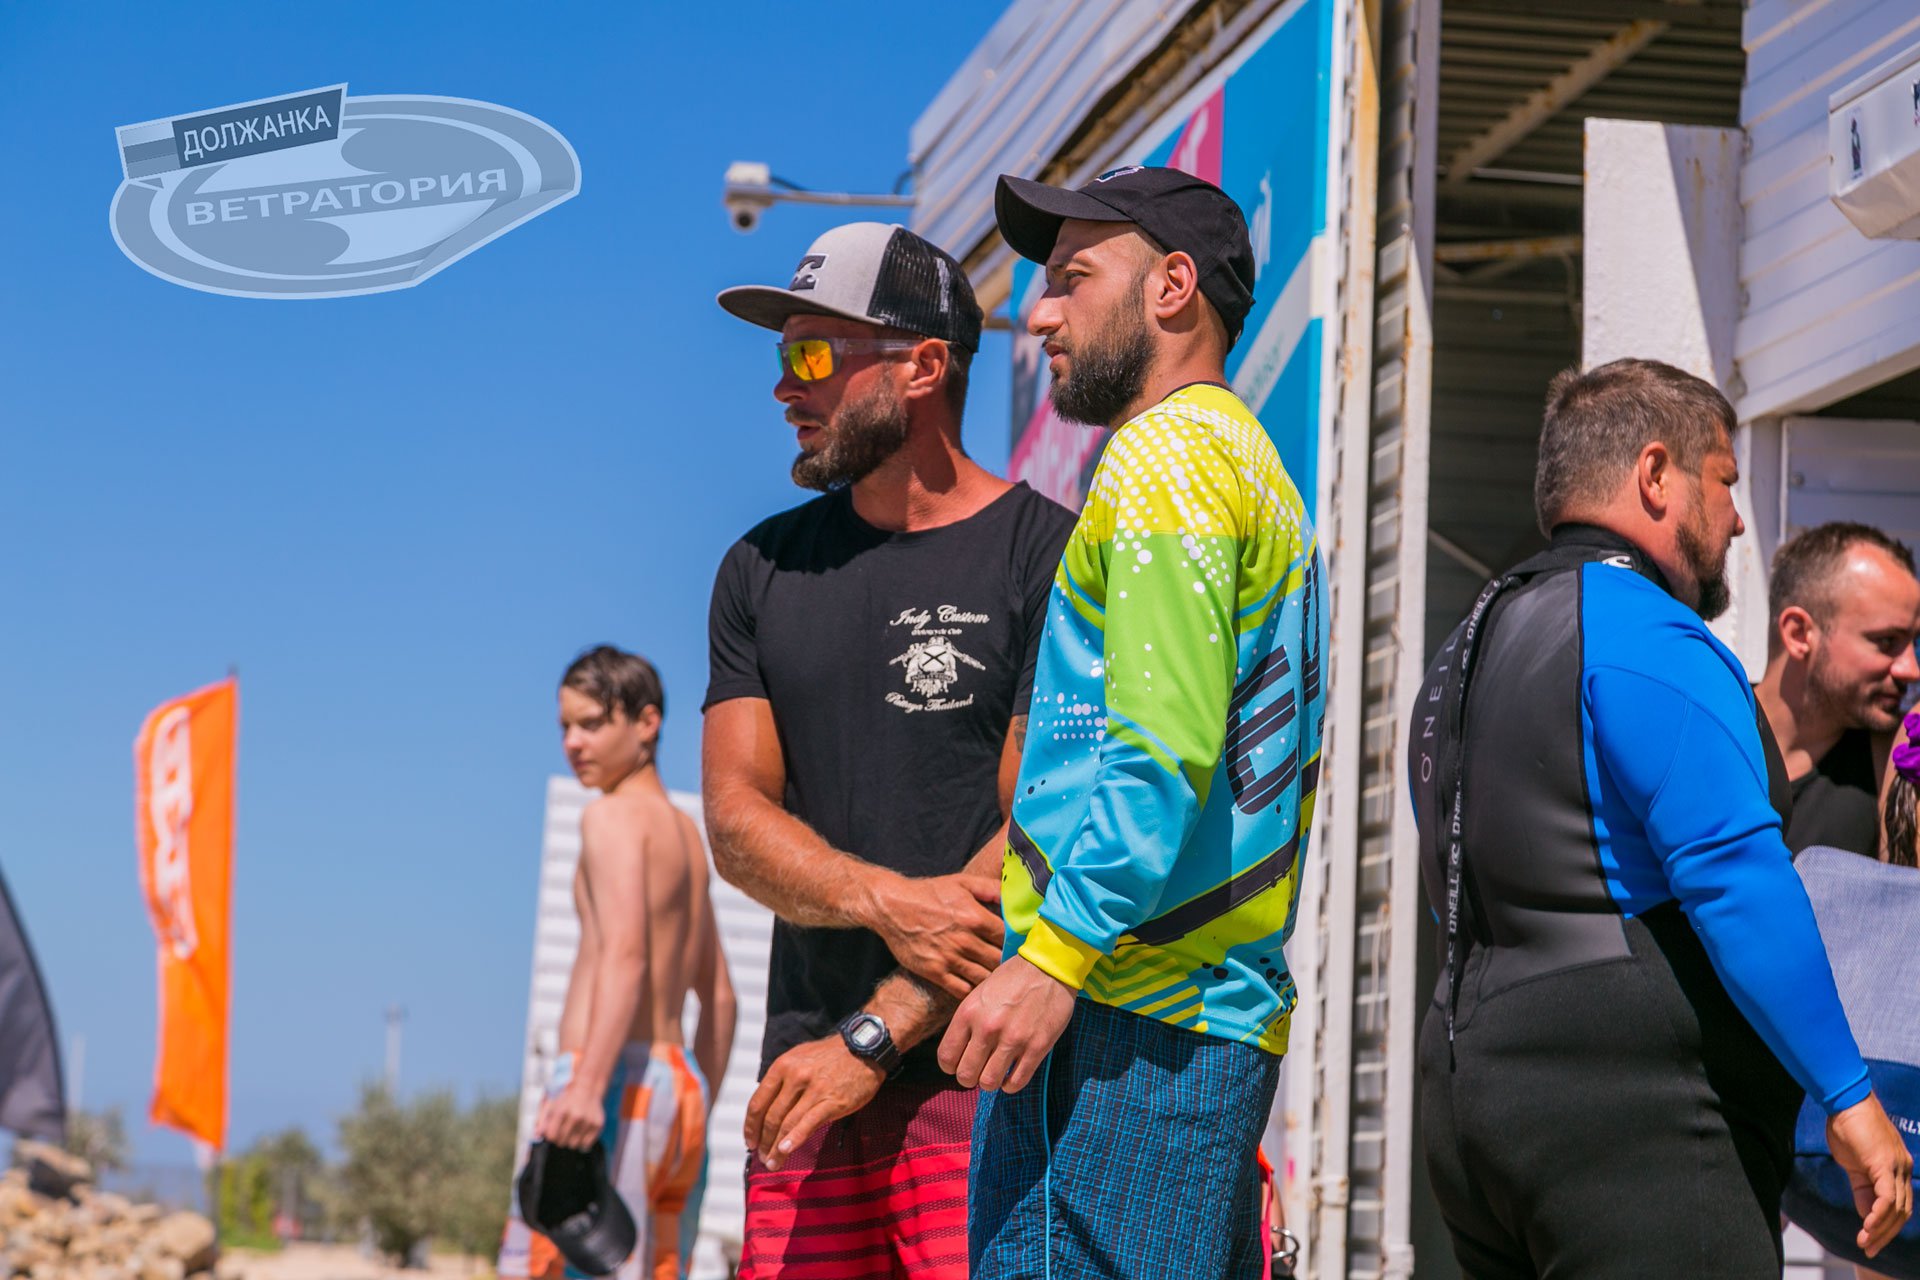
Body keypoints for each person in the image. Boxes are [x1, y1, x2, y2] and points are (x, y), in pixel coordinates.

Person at [1408, 358, 1912, 1278]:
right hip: (1629, 1121)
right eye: (1723, 482)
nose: (1738, 520)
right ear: (1655, 476)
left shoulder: (1464, 650)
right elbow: (1736, 879)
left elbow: (1456, 885)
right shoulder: (1646, 633)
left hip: (1467, 1099)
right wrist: (1849, 1095)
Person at [940, 166, 1328, 1280]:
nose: (1039, 313)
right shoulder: (1245, 463)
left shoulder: (1168, 457)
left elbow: (1161, 751)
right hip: (1181, 1023)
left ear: (1171, 288)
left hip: (1123, 1024)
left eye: (1072, 277)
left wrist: (1053, 958)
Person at [703, 222, 1076, 1279]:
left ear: (922, 366)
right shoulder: (760, 568)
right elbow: (734, 821)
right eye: (784, 355)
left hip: (981, 1088)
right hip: (802, 1096)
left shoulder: (1047, 554)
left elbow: (1046, 830)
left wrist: (871, 1039)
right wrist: (886, 901)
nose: (786, 385)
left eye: (814, 352)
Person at [532, 645, 735, 1280]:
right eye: (566, 727)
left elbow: (626, 957)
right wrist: (694, 1101)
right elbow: (720, 997)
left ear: (647, 722)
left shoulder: (610, 818)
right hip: (678, 1088)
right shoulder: (685, 837)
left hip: (612, 1085)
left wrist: (587, 1087)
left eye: (592, 723)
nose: (573, 743)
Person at [1754, 522, 1920, 855]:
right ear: (1799, 634)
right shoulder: (1706, 730)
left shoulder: (1895, 757)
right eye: (1886, 641)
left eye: (1914, 643)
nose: (1911, 670)